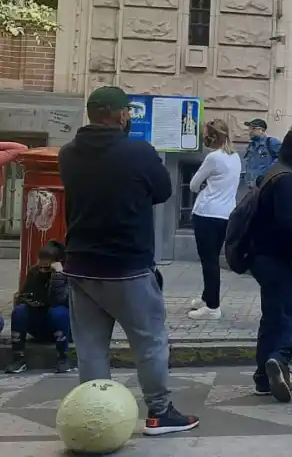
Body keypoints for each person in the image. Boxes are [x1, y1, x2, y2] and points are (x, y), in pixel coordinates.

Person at [58, 85, 198, 436]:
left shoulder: (68, 153)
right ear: (121, 115)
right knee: (149, 342)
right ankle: (159, 412)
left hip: (81, 265)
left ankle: (96, 416)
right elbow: (163, 191)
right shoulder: (138, 151)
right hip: (127, 266)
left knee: (91, 348)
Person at [246, 126, 292, 402]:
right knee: (291, 310)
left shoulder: (273, 173)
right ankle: (279, 359)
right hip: (278, 259)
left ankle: (263, 378)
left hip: (262, 257)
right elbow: (285, 223)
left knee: (273, 315)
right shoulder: (287, 180)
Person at [188, 119, 242, 320]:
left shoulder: (213, 158)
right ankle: (207, 296)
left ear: (211, 136)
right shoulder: (235, 156)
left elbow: (193, 185)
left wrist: (206, 188)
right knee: (212, 258)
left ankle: (212, 307)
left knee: (208, 261)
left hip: (207, 213)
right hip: (226, 214)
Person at [7, 240, 72, 374]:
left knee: (58, 312)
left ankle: (63, 358)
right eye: (40, 266)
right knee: (19, 312)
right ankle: (18, 359)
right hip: (39, 320)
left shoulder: (67, 274)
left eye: (46, 268)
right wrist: (27, 300)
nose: (42, 270)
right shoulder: (34, 271)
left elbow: (62, 300)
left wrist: (57, 276)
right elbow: (25, 295)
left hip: (63, 326)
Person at [243, 118, 281, 187]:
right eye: (249, 129)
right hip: (252, 185)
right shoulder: (251, 146)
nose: (250, 131)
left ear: (262, 130)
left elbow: (282, 158)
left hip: (266, 185)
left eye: (253, 128)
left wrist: (268, 174)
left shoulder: (271, 142)